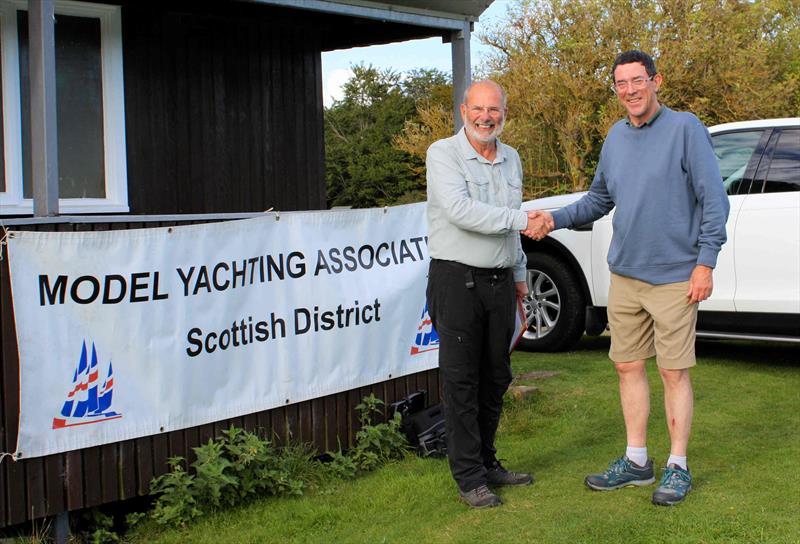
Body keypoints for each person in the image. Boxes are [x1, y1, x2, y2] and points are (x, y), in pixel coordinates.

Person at [525, 50, 729, 506]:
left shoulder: (685, 129)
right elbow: (598, 199)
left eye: (638, 80)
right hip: (626, 276)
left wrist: (706, 262)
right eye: (622, 83)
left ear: (656, 81)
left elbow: (714, 200)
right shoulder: (615, 138)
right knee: (626, 366)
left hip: (677, 276)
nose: (631, 90)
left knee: (673, 371)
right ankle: (637, 461)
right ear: (615, 89)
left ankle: (677, 466)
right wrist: (554, 220)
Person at [426, 79, 540, 509]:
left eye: (494, 110)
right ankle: (470, 476)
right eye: (478, 109)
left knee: (496, 377)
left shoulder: (512, 158)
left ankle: (488, 463)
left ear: (504, 113)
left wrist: (520, 277)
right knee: (461, 382)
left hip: (498, 283)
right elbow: (460, 211)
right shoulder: (443, 153)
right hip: (456, 281)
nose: (486, 117)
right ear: (463, 110)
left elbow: (511, 232)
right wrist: (523, 217)